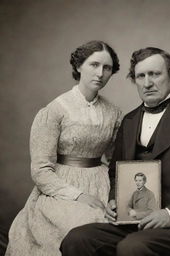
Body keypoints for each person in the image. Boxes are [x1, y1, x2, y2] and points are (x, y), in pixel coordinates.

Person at [60, 47, 170, 256]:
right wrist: (114, 200)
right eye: (140, 76)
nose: (147, 83)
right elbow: (115, 173)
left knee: (134, 247)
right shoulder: (129, 121)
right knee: (78, 239)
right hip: (135, 222)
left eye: (155, 74)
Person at [5, 40, 122, 256]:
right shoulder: (55, 110)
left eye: (107, 68)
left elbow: (115, 160)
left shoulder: (113, 113)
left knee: (113, 231)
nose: (100, 73)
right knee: (81, 229)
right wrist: (79, 196)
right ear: (79, 66)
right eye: (94, 65)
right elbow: (40, 170)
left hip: (102, 184)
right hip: (62, 188)